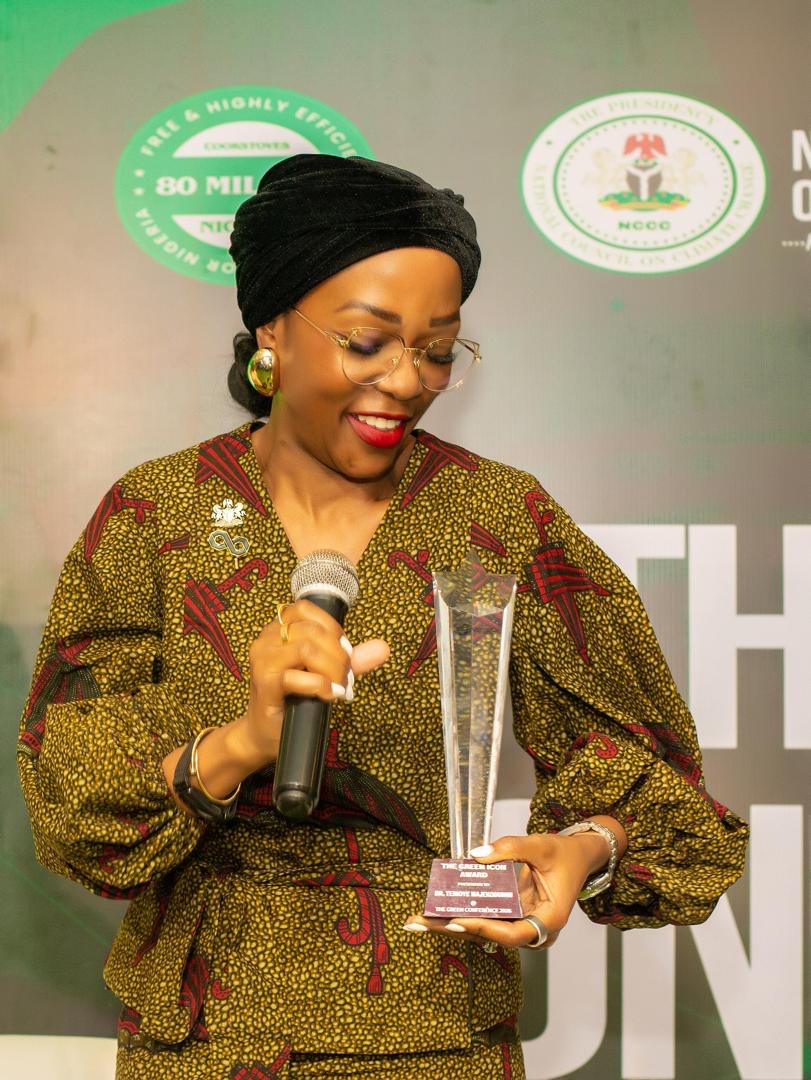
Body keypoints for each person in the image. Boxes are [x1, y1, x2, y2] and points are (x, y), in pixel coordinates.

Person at [18, 155, 747, 1079]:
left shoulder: (497, 516)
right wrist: (242, 742)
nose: (407, 382)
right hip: (202, 1036)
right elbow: (71, 792)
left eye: (437, 351)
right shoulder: (157, 514)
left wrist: (582, 849)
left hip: (433, 1029)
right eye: (367, 342)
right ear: (271, 328)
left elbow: (651, 781)